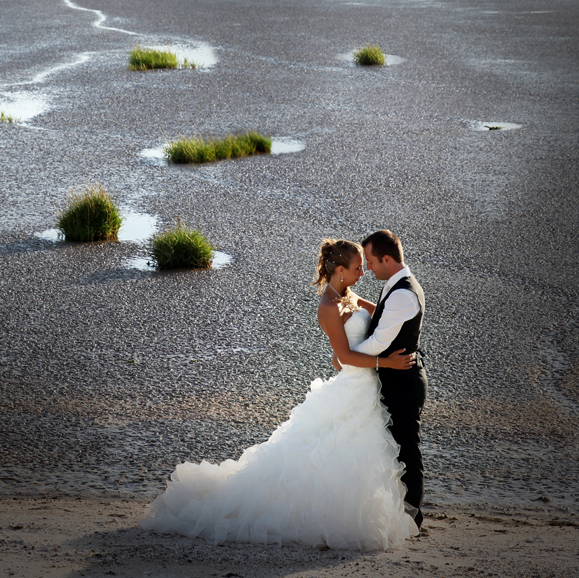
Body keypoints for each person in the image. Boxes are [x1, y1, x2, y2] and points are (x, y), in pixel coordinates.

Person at [139, 239, 420, 550]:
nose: (362, 272)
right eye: (356, 268)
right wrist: (386, 361)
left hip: (366, 387)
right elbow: (344, 356)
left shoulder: (349, 296)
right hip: (354, 385)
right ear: (340, 270)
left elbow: (377, 316)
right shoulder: (327, 307)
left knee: (366, 452)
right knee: (339, 449)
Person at [351, 229, 427, 529]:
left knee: (406, 448)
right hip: (398, 379)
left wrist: (347, 355)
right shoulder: (396, 284)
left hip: (403, 383)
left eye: (370, 261)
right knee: (394, 446)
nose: (367, 267)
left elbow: (379, 342)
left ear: (386, 259)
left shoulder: (404, 293)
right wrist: (366, 305)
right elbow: (386, 316)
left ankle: (412, 516)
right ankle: (400, 509)